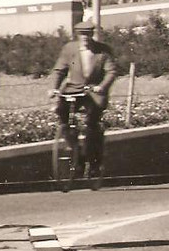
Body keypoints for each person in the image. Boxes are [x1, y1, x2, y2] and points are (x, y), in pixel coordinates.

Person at [48, 19, 120, 189]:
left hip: (93, 92)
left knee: (91, 125)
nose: (85, 38)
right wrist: (53, 88)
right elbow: (59, 70)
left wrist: (102, 87)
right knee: (62, 113)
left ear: (92, 35)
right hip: (73, 89)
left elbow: (111, 72)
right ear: (77, 36)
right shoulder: (69, 49)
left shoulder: (103, 51)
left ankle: (94, 164)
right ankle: (74, 148)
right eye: (82, 35)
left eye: (88, 34)